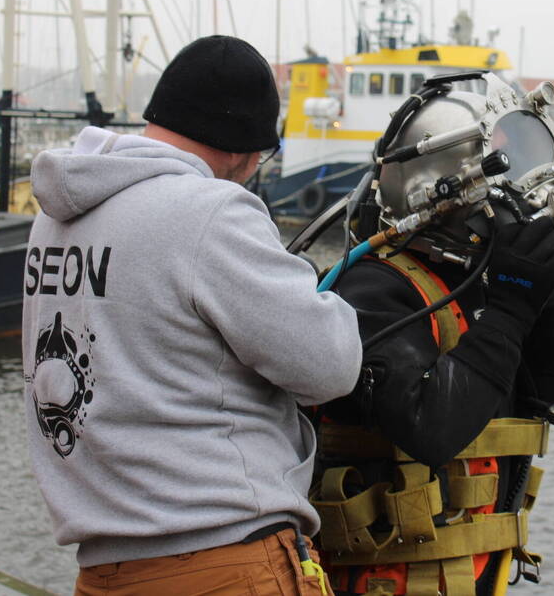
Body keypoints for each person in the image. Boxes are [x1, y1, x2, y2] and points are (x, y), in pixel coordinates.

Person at [21, 35, 362, 595]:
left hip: (103, 570)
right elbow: (329, 365)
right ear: (241, 148)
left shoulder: (56, 218)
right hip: (222, 562)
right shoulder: (209, 212)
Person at [310, 73, 554, 596]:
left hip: (474, 577)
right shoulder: (373, 290)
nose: (531, 187)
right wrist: (509, 310)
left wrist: (544, 302)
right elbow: (428, 426)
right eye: (507, 161)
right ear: (445, 181)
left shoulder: (478, 287)